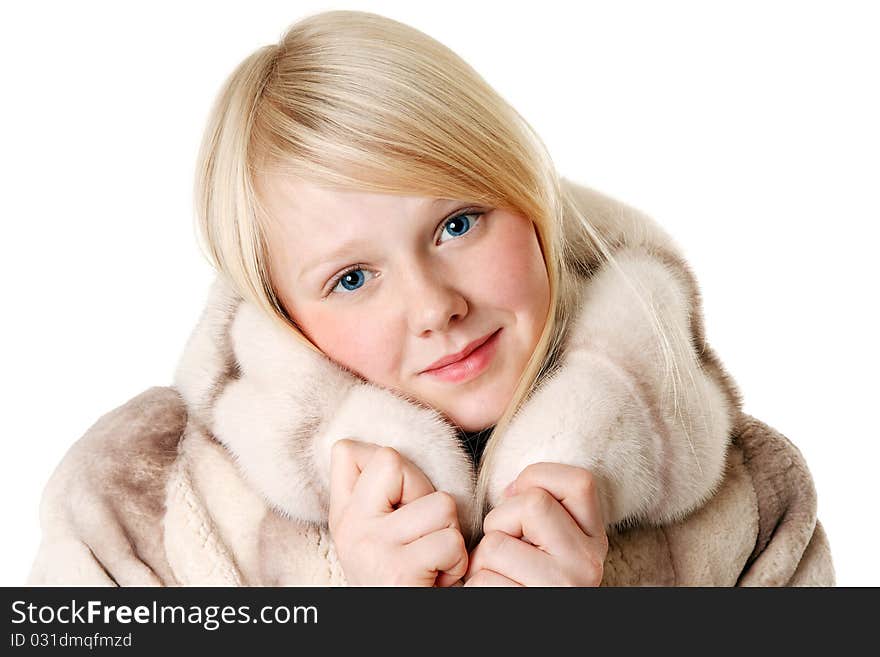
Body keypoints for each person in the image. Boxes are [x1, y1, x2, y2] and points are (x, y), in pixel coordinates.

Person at [28, 10, 833, 586]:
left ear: (526, 198)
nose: (433, 305)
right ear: (281, 310)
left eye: (456, 223)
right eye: (352, 279)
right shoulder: (132, 496)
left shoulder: (754, 503)